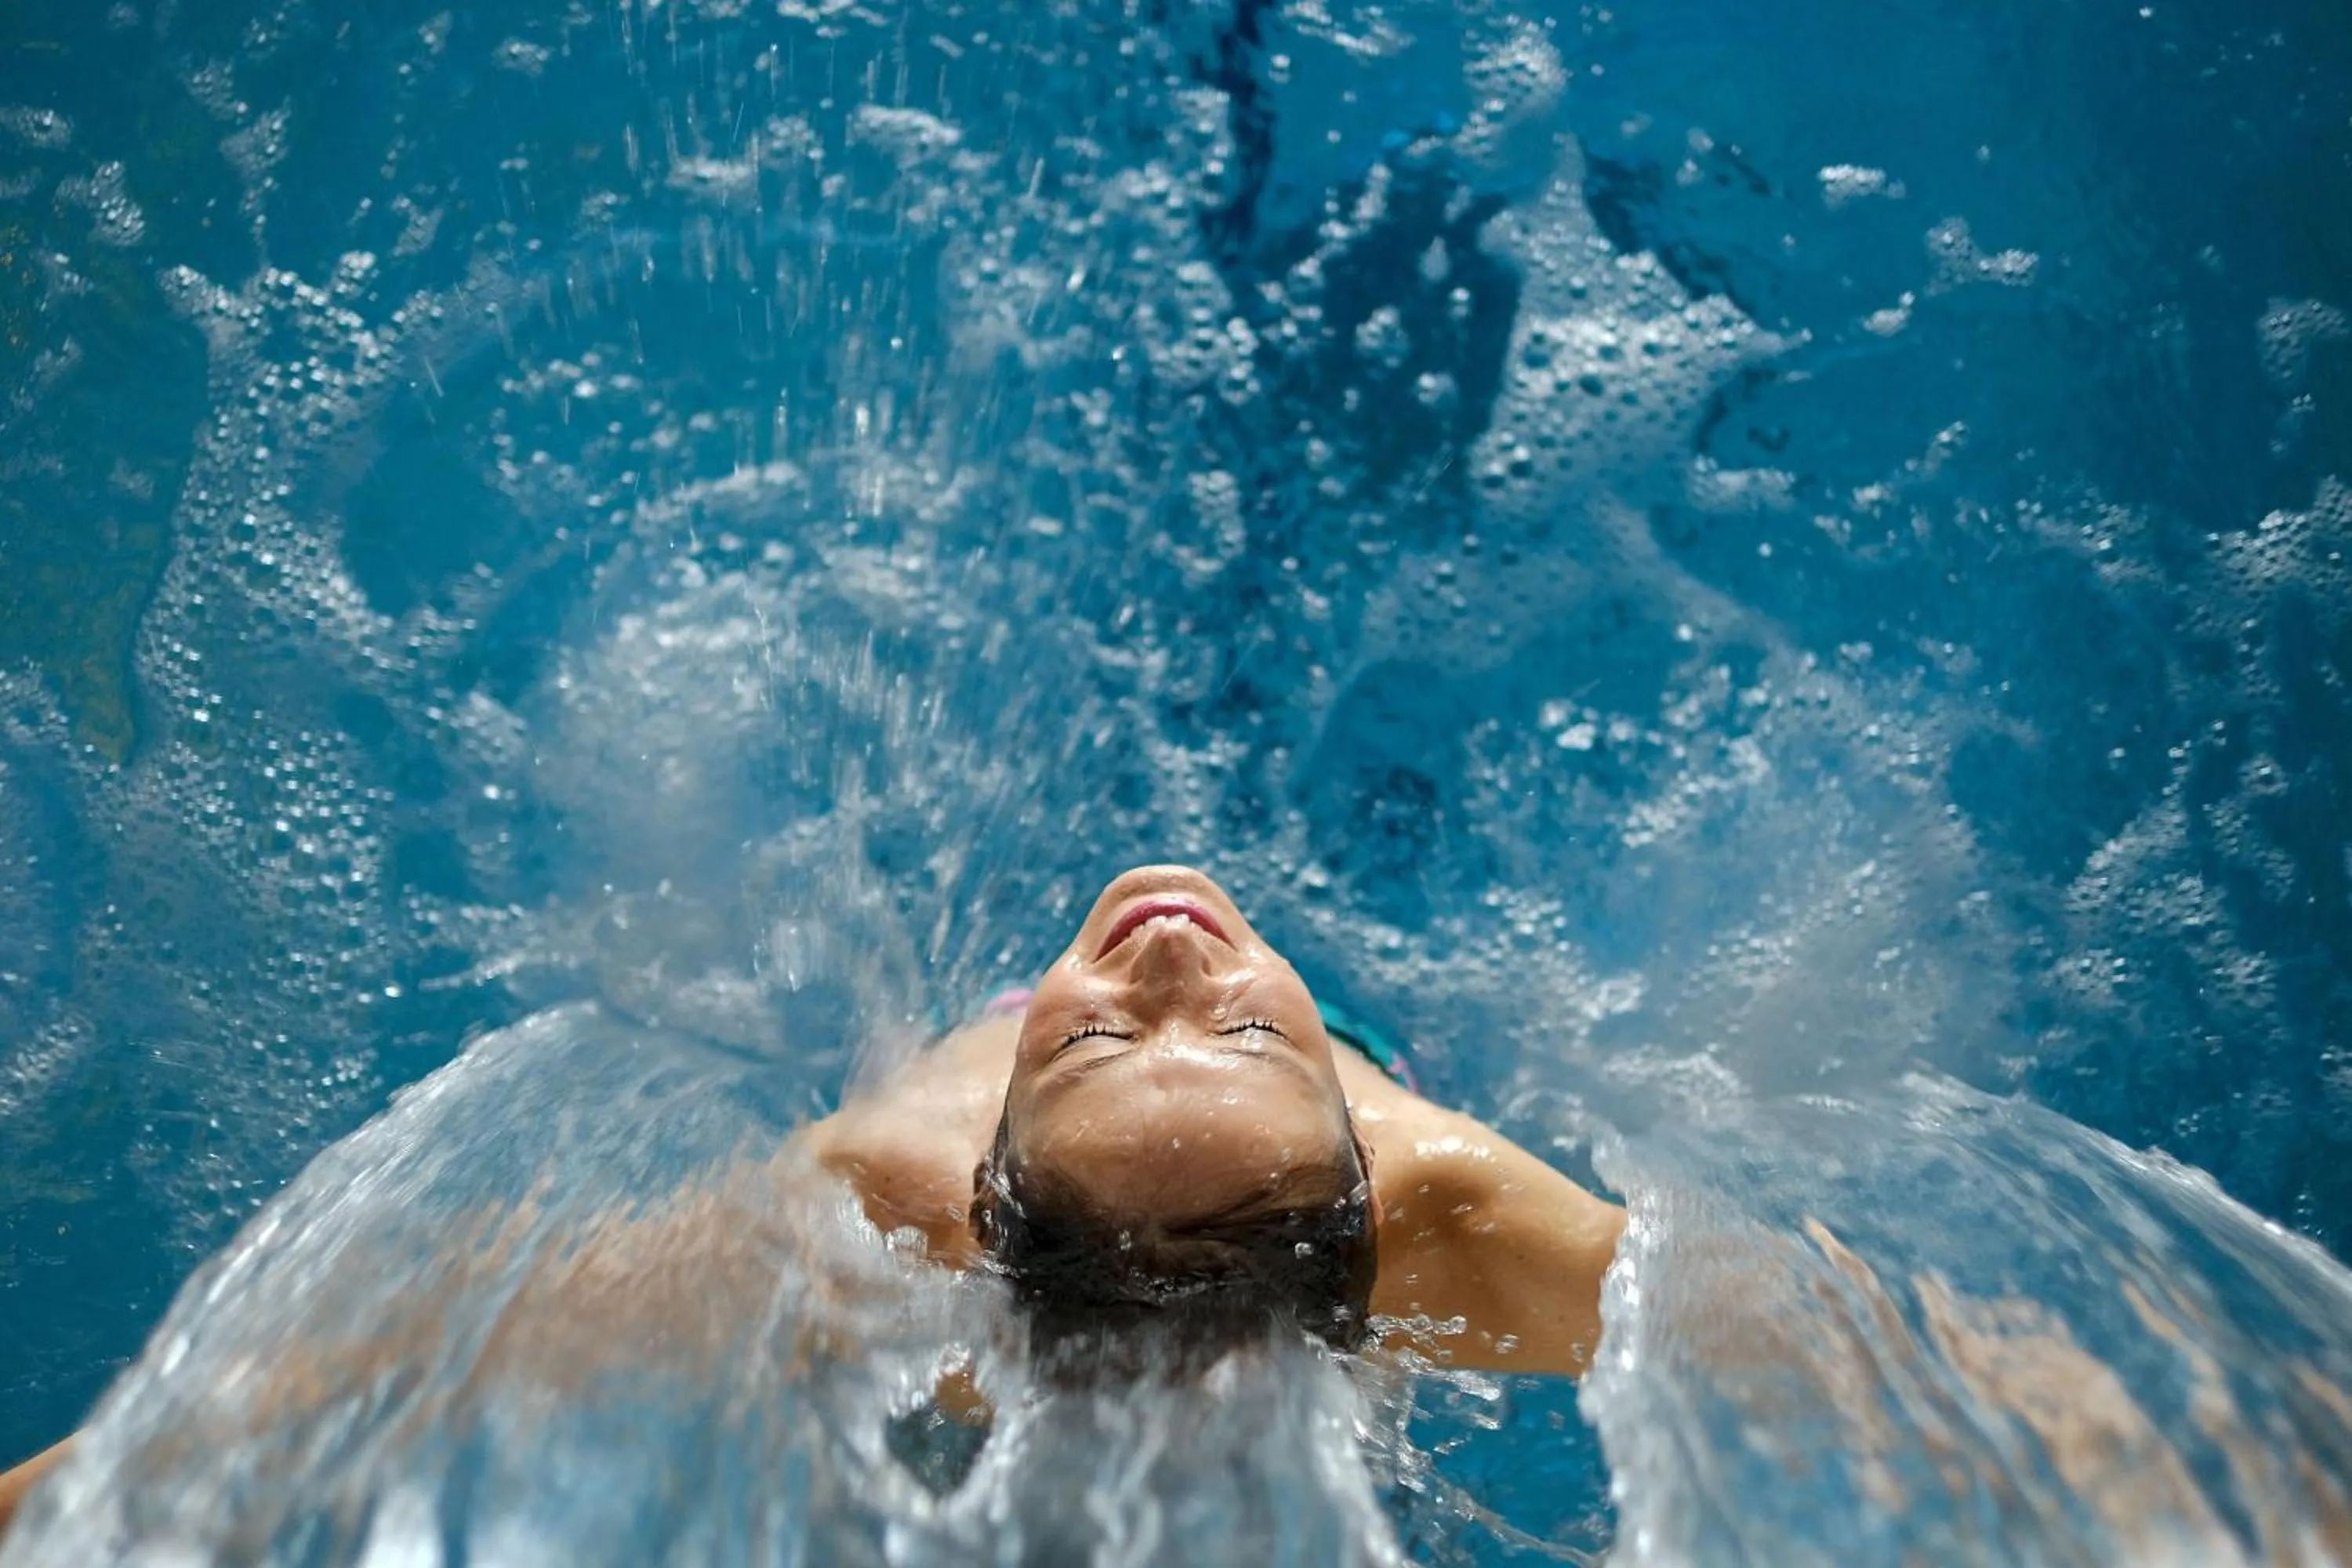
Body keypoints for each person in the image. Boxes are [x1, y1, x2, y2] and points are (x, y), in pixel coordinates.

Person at [0, 865, 1624, 1539]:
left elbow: (362, 1385)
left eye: (1123, 1028)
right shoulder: (1457, 1227)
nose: (1179, 957)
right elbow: (1814, 1348)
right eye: (1155, 1026)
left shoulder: (883, 1209)